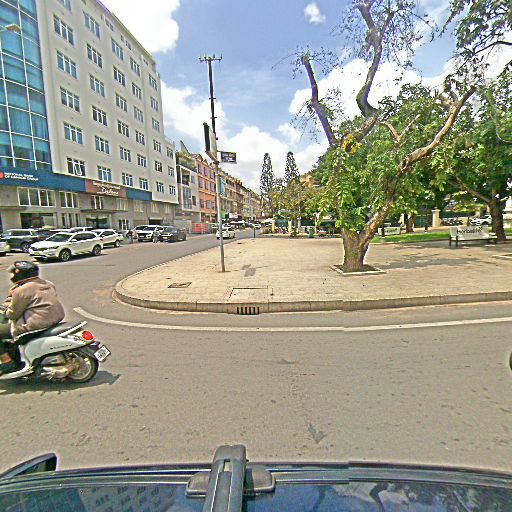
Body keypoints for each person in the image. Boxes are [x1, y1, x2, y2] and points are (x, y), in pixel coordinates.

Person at [0, 261, 65, 375]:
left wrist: (10, 297)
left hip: (35, 325)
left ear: (20, 274)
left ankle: (7, 362)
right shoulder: (48, 283)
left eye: (13, 273)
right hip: (54, 319)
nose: (12, 276)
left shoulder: (20, 290)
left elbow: (12, 314)